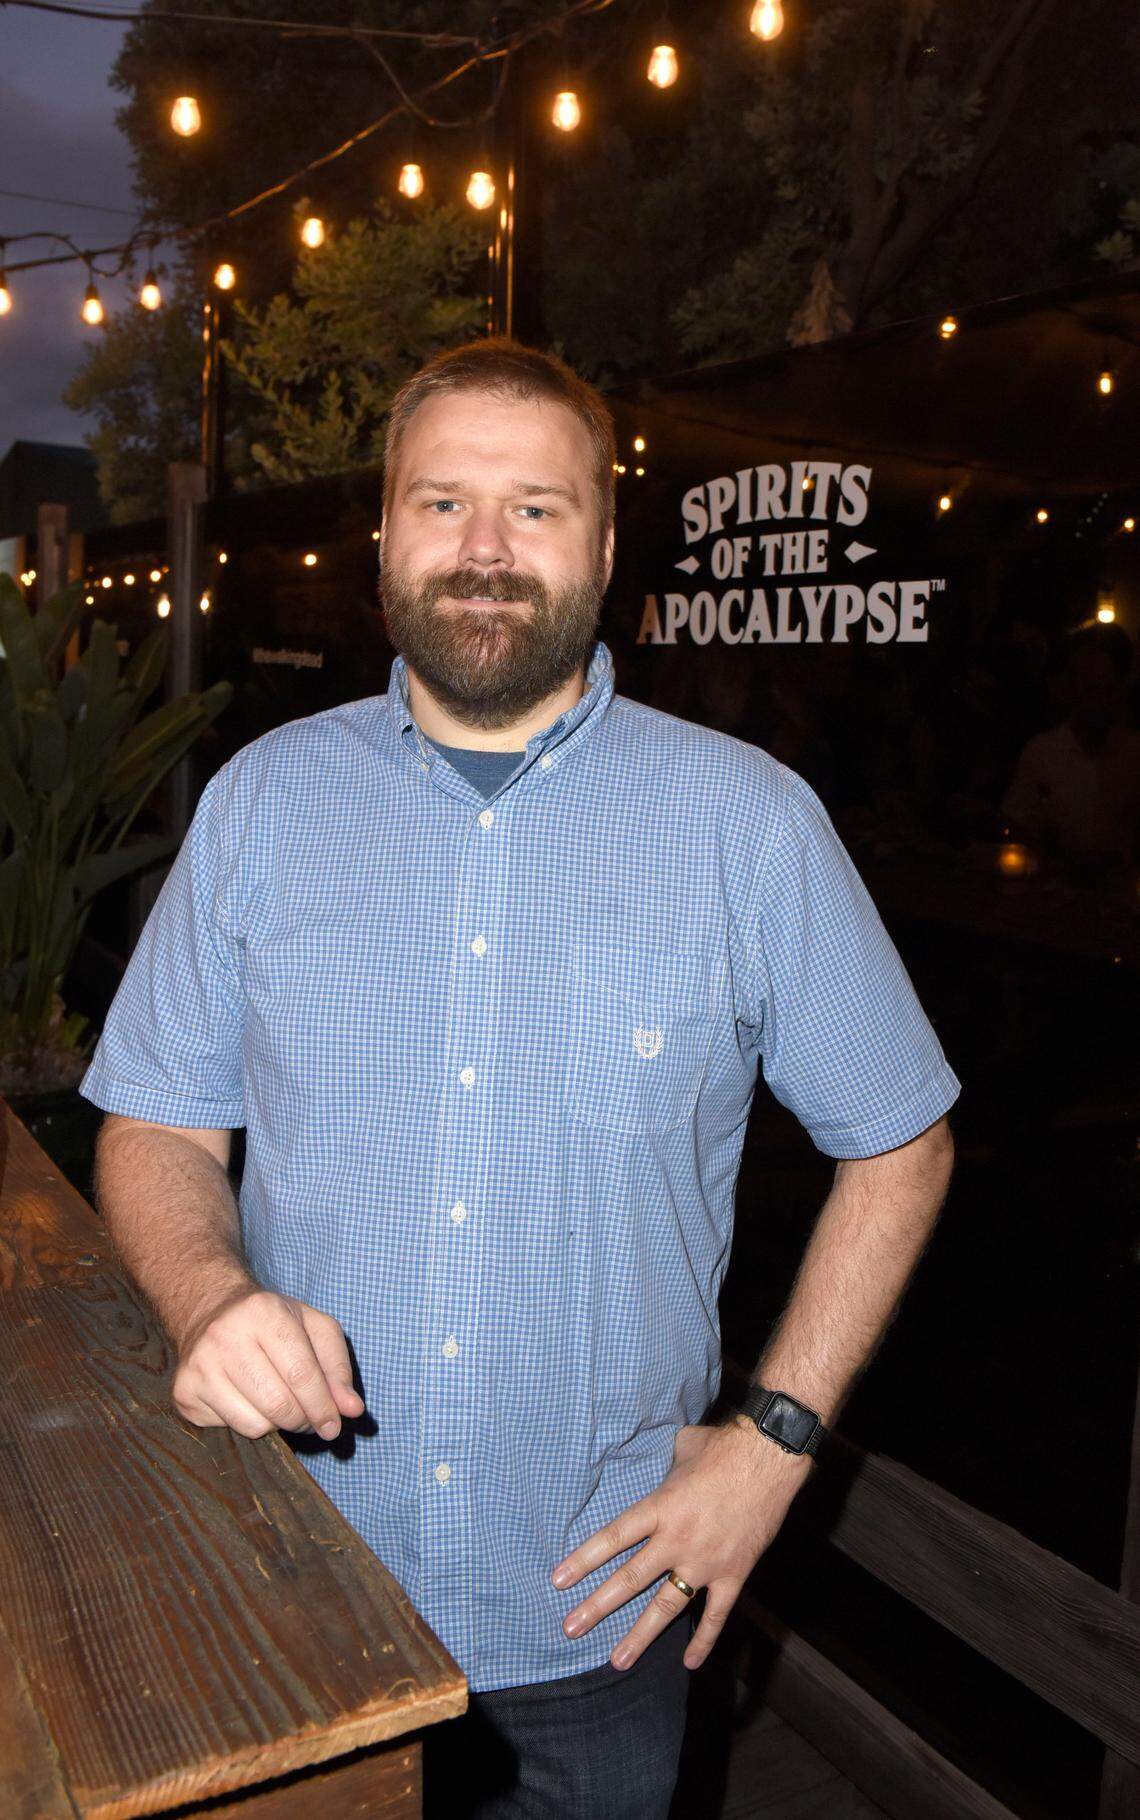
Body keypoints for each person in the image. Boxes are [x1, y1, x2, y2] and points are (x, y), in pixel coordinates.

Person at [81, 337, 960, 1818]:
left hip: (597, 1611)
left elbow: (904, 1142)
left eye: (535, 510)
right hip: (296, 1577)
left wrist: (775, 1442)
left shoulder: (749, 826)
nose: (484, 551)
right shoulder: (263, 804)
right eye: (442, 504)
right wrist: (210, 1299)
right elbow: (159, 1119)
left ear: (605, 549)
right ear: (385, 534)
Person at [1001, 621, 1140, 875]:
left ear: (1120, 691)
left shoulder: (1133, 753)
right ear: (1072, 686)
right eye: (1090, 688)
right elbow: (1016, 825)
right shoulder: (1042, 752)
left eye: (1107, 689)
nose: (1098, 701)